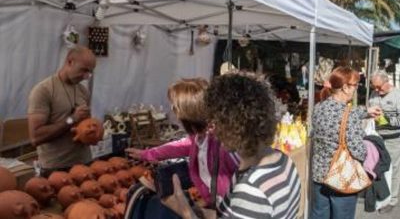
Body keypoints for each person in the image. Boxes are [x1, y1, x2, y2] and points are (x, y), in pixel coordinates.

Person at [162, 73, 301, 219]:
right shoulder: (284, 161)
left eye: (214, 121)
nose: (211, 129)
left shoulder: (251, 190)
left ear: (232, 125)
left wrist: (185, 211)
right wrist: (195, 210)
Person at [126, 78, 239, 207]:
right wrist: (146, 154)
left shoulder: (224, 144)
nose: (175, 114)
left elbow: (246, 173)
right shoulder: (199, 138)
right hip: (216, 203)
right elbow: (177, 146)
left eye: (176, 109)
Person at [311, 67, 381, 219]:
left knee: (319, 214)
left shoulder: (318, 108)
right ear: (345, 87)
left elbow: (342, 114)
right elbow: (359, 151)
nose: (356, 89)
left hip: (319, 174)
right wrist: (371, 147)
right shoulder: (349, 116)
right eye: (355, 85)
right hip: (341, 177)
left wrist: (366, 111)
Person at [28, 45, 96, 176]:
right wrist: (72, 119)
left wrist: (91, 134)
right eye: (83, 70)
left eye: (89, 72)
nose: (86, 76)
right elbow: (35, 137)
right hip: (56, 168)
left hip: (84, 163)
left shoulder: (83, 91)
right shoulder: (44, 90)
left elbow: (83, 126)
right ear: (70, 62)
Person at [369, 70, 400, 213]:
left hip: (394, 139)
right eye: (374, 87)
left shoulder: (397, 95)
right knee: (377, 168)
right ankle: (379, 195)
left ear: (387, 82)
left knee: (393, 169)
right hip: (377, 138)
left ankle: (392, 200)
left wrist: (384, 119)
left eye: (379, 87)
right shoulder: (374, 94)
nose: (376, 90)